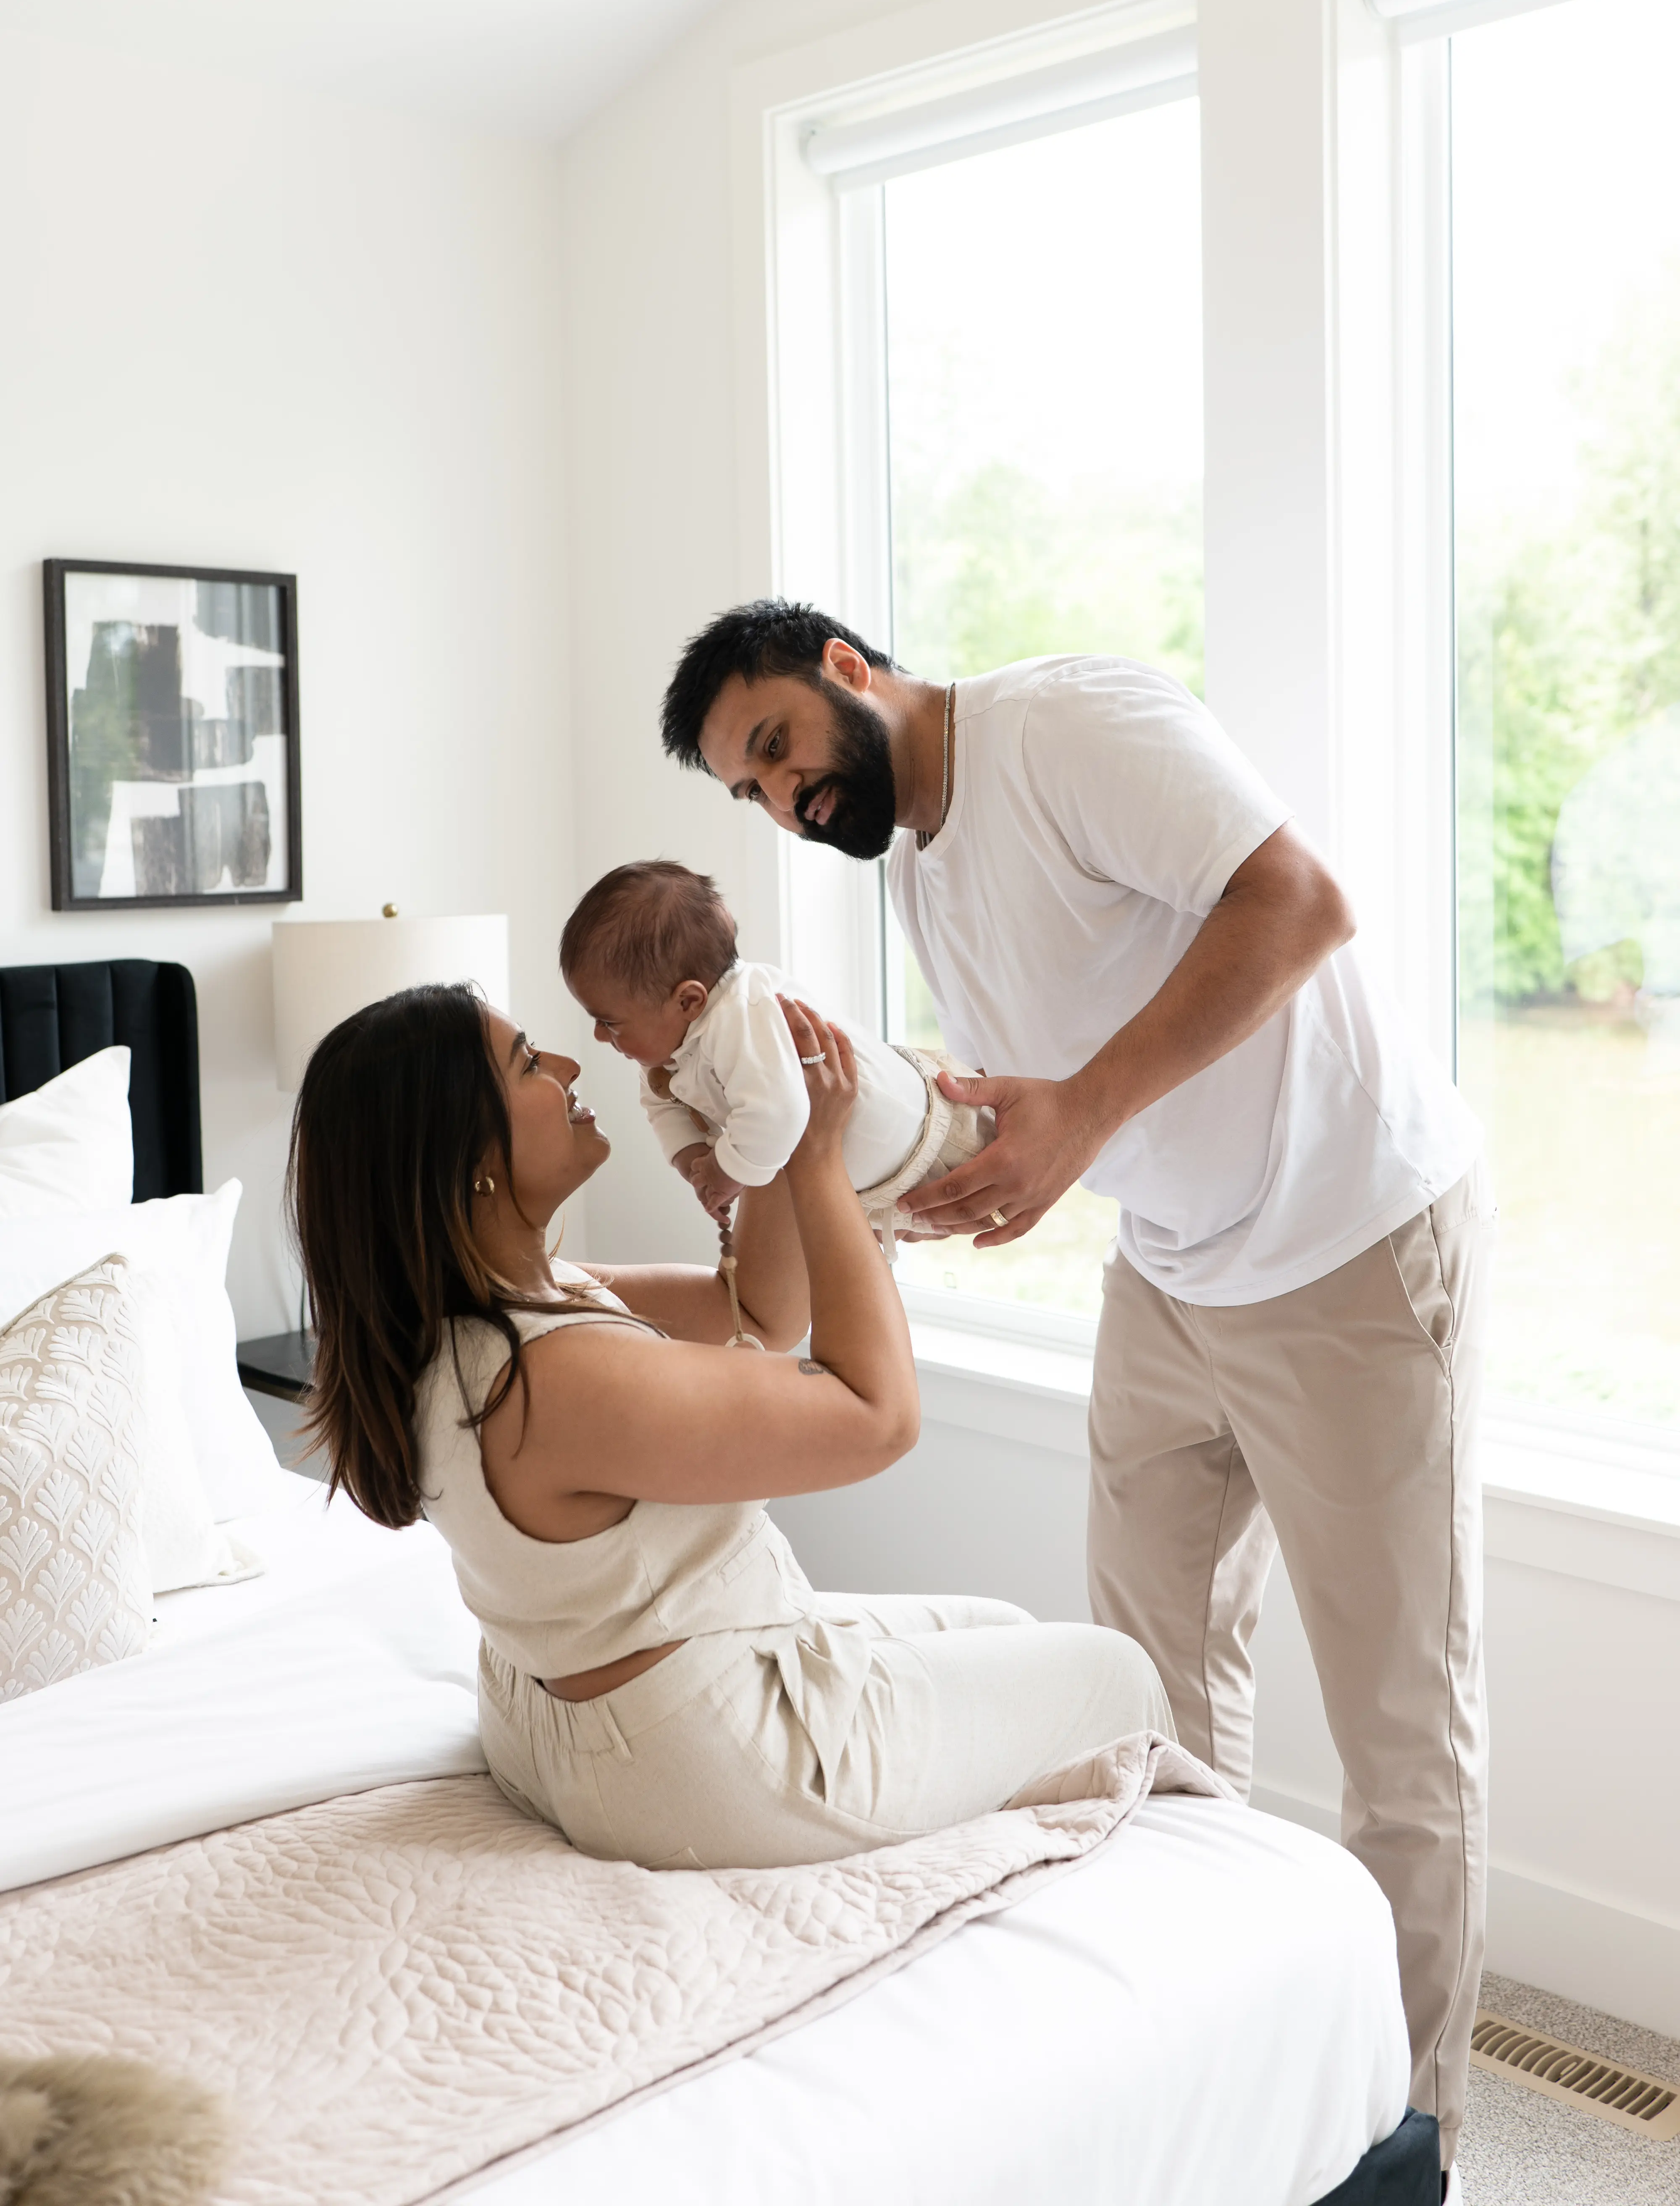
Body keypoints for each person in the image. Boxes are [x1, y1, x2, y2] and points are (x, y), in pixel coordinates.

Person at [661, 597, 1490, 2180]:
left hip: (1352, 1251)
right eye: (750, 795)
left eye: (775, 746)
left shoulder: (1067, 728)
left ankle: (1407, 2145)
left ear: (846, 670)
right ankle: (1234, 2082)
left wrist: (1083, 1116)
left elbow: (1302, 902)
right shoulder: (917, 868)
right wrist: (853, 1164)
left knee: (1400, 1738)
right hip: (1172, 1274)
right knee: (1151, 1710)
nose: (784, 798)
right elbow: (1026, 1108)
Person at [286, 980, 1171, 1872]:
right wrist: (826, 1164)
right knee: (1119, 1676)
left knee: (1004, 1623)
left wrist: (776, 1125)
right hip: (700, 1767)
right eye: (525, 1064)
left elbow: (752, 1306)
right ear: (470, 1158)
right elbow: (876, 1416)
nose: (565, 1064)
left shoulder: (477, 1315)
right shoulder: (549, 1376)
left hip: (567, 1727)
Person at [560, 857, 993, 1252]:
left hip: (933, 1135)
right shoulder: (668, 1050)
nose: (599, 1035)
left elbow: (777, 1115)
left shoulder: (741, 1015)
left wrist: (724, 1172)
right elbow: (660, 1106)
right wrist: (692, 1158)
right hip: (878, 1182)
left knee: (999, 1183)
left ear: (688, 1001)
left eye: (610, 1022)